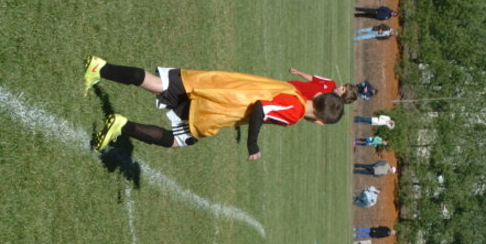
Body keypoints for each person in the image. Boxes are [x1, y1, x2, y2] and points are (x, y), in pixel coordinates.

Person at [83, 56, 345, 159]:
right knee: (179, 140)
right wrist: (252, 144)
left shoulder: (294, 91)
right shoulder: (295, 112)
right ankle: (122, 126)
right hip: (216, 106)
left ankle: (100, 68)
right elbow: (261, 109)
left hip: (214, 84)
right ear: (320, 121)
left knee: (158, 84)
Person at [288, 68, 358, 103]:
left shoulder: (330, 102)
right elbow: (312, 78)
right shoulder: (331, 82)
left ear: (343, 96)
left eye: (343, 89)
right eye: (343, 86)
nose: (340, 86)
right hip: (293, 85)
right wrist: (298, 72)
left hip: (296, 100)